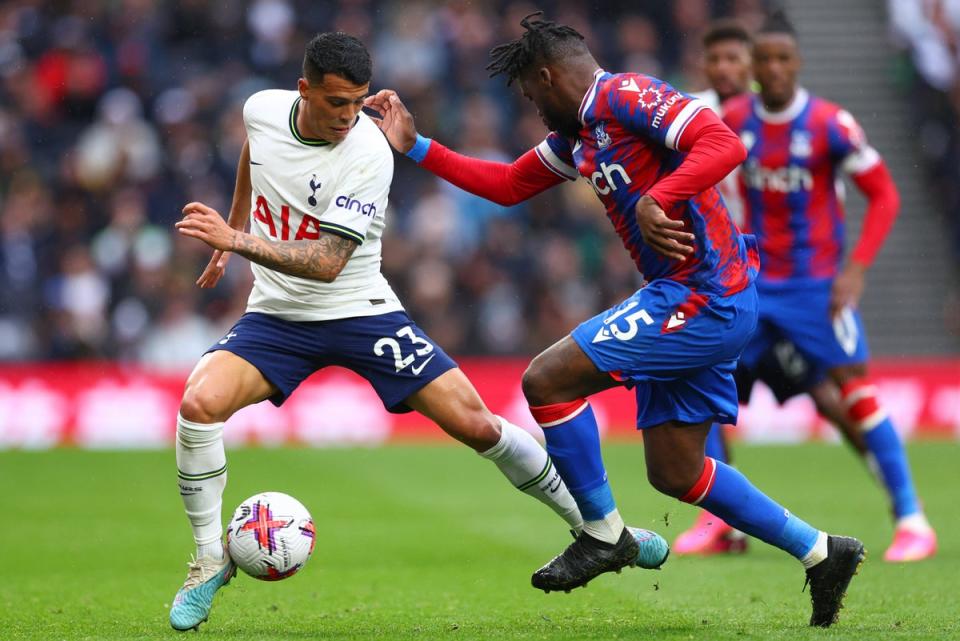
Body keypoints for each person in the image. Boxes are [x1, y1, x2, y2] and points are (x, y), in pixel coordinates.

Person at [366, 12, 864, 627]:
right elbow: (506, 184)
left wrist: (661, 196)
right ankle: (822, 552)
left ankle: (602, 535)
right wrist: (414, 144)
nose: (532, 109)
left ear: (548, 77)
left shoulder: (626, 95)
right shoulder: (580, 136)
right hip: (695, 296)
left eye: (530, 94)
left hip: (703, 293)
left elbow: (722, 143)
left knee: (546, 380)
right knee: (675, 472)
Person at [167, 31, 605, 632]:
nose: (350, 117)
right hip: (278, 316)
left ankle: (597, 529)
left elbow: (326, 263)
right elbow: (254, 151)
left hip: (361, 308)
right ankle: (209, 559)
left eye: (358, 102)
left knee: (475, 423)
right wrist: (235, 224)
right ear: (304, 90)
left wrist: (234, 239)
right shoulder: (261, 109)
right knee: (197, 404)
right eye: (336, 104)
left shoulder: (370, 152)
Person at [722, 11, 937, 563]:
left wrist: (857, 268)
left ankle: (911, 518)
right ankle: (719, 523)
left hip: (816, 288)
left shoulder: (830, 125)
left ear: (798, 63)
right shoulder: (734, 120)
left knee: (855, 394)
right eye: (763, 60)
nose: (772, 69)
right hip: (752, 285)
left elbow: (885, 195)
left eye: (782, 59)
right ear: (751, 68)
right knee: (701, 381)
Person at [675, 19, 876, 557]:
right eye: (716, 60)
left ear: (757, 68)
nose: (727, 70)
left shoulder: (791, 128)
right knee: (700, 385)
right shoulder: (688, 115)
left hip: (780, 283)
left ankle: (892, 485)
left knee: (827, 392)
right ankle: (723, 523)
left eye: (737, 61)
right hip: (725, 281)